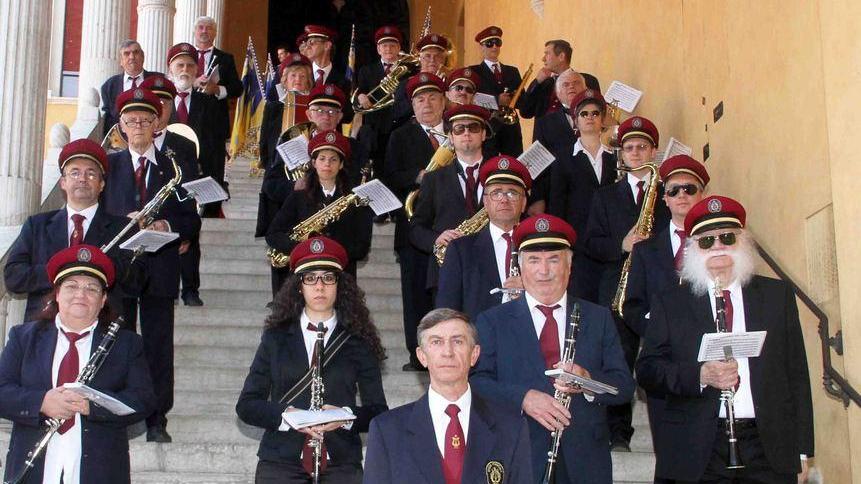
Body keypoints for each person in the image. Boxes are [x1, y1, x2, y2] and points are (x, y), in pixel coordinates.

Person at [636, 195, 814, 483]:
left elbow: (797, 374)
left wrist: (803, 451)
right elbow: (647, 370)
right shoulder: (671, 302)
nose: (717, 246)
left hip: (768, 447)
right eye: (707, 241)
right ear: (693, 249)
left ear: (742, 243)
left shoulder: (776, 296)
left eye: (727, 238)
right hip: (699, 449)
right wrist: (700, 375)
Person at [470, 214, 635, 484]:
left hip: (585, 460)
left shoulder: (599, 317)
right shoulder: (492, 321)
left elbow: (624, 387)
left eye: (554, 260)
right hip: (518, 456)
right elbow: (476, 382)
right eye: (534, 260)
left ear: (569, 266)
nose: (544, 271)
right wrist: (523, 398)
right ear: (520, 268)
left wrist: (588, 381)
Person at [236, 236, 388, 484]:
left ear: (339, 285)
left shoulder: (359, 341)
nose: (319, 286)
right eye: (310, 278)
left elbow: (378, 413)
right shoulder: (276, 338)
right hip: (280, 463)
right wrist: (287, 415)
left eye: (328, 278)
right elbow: (247, 405)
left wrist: (345, 416)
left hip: (340, 465)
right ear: (299, 286)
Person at [0, 245, 155, 484]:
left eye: (91, 288)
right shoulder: (23, 337)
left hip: (100, 472)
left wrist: (91, 406)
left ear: (103, 300)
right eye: (71, 286)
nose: (80, 295)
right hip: (32, 470)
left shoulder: (127, 344)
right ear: (57, 294)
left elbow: (143, 401)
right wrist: (41, 402)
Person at [102, 87, 201, 442]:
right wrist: (123, 222)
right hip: (120, 270)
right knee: (118, 343)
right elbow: (99, 218)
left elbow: (192, 219)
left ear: (157, 124)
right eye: (132, 121)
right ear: (121, 126)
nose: (139, 127)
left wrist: (166, 225)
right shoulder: (108, 167)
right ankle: (119, 415)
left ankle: (157, 420)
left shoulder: (176, 168)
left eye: (146, 120)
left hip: (159, 266)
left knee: (159, 347)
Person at [363, 308, 533, 484]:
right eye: (436, 342)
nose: (448, 352)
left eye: (457, 341)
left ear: (474, 354)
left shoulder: (511, 428)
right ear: (422, 356)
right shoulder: (387, 431)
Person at [621, 155, 709, 478]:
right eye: (673, 190)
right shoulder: (646, 250)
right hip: (663, 364)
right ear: (664, 199)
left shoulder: (716, 246)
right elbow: (631, 305)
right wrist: (658, 331)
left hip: (706, 361)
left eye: (689, 189)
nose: (681, 195)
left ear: (702, 195)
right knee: (670, 458)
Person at [4, 139, 139, 321]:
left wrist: (98, 267)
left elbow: (137, 282)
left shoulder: (125, 228)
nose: (82, 179)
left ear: (101, 184)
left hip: (103, 328)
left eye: (91, 173)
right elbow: (13, 276)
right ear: (63, 182)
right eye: (75, 173)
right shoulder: (36, 225)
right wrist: (60, 269)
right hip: (45, 328)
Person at [384, 72, 447, 371]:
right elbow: (389, 177)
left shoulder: (457, 132)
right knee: (415, 297)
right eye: (420, 99)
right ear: (412, 105)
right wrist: (416, 176)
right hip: (414, 230)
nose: (427, 103)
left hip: (451, 227)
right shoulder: (400, 136)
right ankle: (419, 355)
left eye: (433, 97)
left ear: (444, 101)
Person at [266, 130, 373, 292]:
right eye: (322, 158)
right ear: (314, 163)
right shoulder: (297, 198)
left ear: (341, 164)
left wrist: (328, 249)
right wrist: (303, 248)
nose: (327, 164)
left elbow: (362, 247)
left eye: (333, 159)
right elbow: (273, 235)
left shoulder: (354, 200)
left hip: (341, 280)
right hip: (304, 280)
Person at [410, 102, 496, 295]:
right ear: (450, 137)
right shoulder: (433, 179)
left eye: (473, 128)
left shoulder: (499, 176)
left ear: (483, 134)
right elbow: (416, 228)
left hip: (491, 269)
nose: (466, 133)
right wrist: (436, 239)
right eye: (459, 129)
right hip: (446, 272)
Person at [436, 155, 530, 320]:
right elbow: (446, 311)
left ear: (523, 203)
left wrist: (531, 291)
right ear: (485, 203)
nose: (504, 199)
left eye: (512, 193)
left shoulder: (541, 249)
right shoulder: (460, 250)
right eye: (496, 193)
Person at [139, 74, 204, 307]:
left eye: (165, 103)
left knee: (190, 232)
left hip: (174, 209)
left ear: (172, 107)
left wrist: (184, 233)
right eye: (154, 102)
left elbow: (189, 188)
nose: (160, 108)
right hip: (141, 212)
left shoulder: (184, 144)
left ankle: (190, 289)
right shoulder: (134, 140)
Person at [548, 89, 618, 303]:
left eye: (595, 113)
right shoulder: (563, 159)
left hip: (610, 245)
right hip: (578, 246)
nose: (590, 117)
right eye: (584, 114)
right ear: (575, 121)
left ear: (602, 120)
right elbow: (557, 205)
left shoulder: (616, 159)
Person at [167, 41, 228, 222]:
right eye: (180, 65)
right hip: (165, 183)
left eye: (190, 65)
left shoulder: (210, 104)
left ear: (196, 70)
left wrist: (214, 189)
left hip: (197, 183)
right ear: (170, 70)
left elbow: (217, 152)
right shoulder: (161, 103)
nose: (185, 69)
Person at [256, 53, 314, 239]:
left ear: (309, 81)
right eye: (293, 76)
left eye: (302, 76)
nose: (298, 79)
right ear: (285, 80)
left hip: (308, 172)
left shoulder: (315, 108)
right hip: (279, 174)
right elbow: (265, 142)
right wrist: (269, 165)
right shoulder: (273, 107)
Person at [191, 16, 242, 217]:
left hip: (214, 126)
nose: (204, 31)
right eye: (201, 28)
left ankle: (211, 212)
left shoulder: (225, 58)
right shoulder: (185, 56)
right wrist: (193, 83)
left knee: (213, 170)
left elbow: (237, 88)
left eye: (209, 28)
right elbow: (174, 82)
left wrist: (217, 89)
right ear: (195, 31)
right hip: (189, 123)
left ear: (215, 33)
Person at [529, 69, 589, 215]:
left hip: (591, 193)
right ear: (557, 93)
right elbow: (538, 161)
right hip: (558, 195)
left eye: (576, 83)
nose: (571, 87)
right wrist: (537, 198)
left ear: (585, 89)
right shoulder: (545, 123)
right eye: (565, 84)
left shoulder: (597, 119)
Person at [518, 39, 600, 136]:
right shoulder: (543, 83)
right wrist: (536, 82)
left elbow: (596, 113)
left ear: (561, 56)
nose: (543, 59)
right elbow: (525, 112)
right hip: (543, 141)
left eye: (547, 54)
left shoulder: (587, 80)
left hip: (574, 139)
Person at [355, 26, 403, 188]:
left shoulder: (407, 72)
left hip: (398, 128)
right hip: (374, 132)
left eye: (392, 45)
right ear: (378, 49)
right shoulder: (366, 71)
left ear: (399, 48)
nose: (388, 49)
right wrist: (360, 97)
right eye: (384, 45)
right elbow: (358, 94)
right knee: (375, 174)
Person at [469, 26, 524, 156]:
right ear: (482, 47)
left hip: (511, 129)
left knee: (514, 162)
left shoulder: (512, 71)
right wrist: (496, 100)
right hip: (488, 127)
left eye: (497, 43)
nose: (494, 47)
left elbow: (522, 99)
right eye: (489, 43)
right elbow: (472, 98)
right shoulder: (473, 72)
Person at [100, 40, 162, 137]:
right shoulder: (109, 86)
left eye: (136, 52)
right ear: (121, 61)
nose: (132, 57)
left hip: (153, 138)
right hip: (121, 140)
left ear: (143, 57)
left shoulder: (158, 81)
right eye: (126, 54)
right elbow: (108, 120)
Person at [391, 33, 450, 128]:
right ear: (420, 58)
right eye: (428, 56)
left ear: (443, 59)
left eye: (437, 56)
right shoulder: (406, 83)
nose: (432, 60)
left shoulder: (451, 84)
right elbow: (396, 113)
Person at [303, 24, 349, 92]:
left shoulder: (342, 81)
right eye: (307, 44)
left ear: (327, 45)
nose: (307, 47)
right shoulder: (302, 75)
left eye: (312, 43)